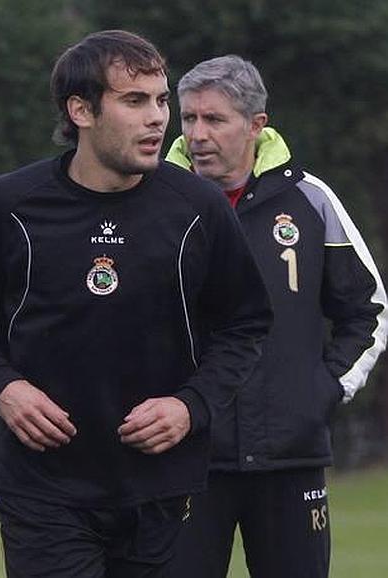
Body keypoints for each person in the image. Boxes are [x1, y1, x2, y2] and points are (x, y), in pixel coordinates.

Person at [0, 34, 273, 578]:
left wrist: (191, 406)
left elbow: (245, 324)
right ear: (81, 110)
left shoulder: (198, 208)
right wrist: (3, 386)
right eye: (135, 101)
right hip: (40, 483)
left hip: (163, 482)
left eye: (162, 100)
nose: (159, 119)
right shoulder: (9, 205)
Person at [167, 55, 388, 578]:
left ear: (256, 125)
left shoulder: (311, 200)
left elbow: (371, 309)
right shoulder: (152, 201)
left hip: (290, 457)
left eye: (214, 119)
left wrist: (323, 390)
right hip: (182, 456)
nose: (198, 134)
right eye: (189, 118)